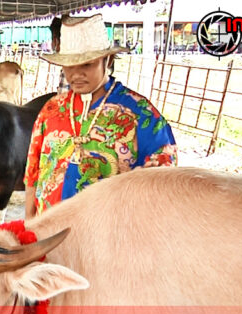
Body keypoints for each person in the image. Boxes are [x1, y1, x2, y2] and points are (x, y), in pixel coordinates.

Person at [24, 15, 177, 218]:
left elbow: (164, 174)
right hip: (50, 229)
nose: (76, 74)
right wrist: (29, 224)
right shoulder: (52, 109)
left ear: (108, 60)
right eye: (69, 66)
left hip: (108, 234)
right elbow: (33, 171)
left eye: (87, 65)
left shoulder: (140, 113)